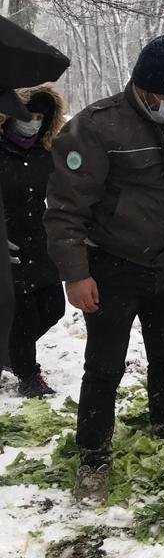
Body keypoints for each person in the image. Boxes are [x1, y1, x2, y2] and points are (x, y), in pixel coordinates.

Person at [45, 34, 164, 506]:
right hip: (113, 267)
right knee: (104, 367)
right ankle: (93, 458)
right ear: (145, 88)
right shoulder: (97, 128)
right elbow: (65, 209)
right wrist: (76, 274)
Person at [0, 84, 67, 395]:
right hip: (8, 248)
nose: (33, 121)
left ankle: (12, 351)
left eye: (41, 116)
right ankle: (28, 376)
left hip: (40, 244)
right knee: (24, 315)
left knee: (54, 308)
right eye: (28, 114)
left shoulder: (46, 154)